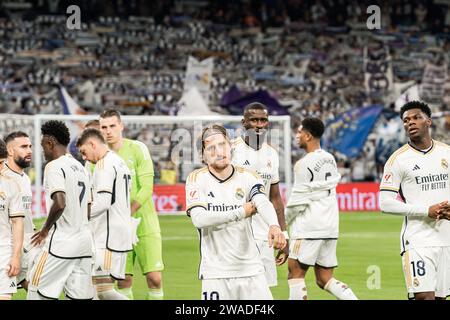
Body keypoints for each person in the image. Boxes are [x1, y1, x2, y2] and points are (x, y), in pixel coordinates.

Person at [185, 124, 286, 300]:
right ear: (202, 156)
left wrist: (274, 226)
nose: (219, 151)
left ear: (230, 146)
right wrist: (240, 212)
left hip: (251, 269)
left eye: (223, 144)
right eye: (211, 148)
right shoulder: (196, 179)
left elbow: (263, 202)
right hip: (215, 273)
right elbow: (199, 219)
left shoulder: (248, 176)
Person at [379, 101, 450, 300]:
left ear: (428, 121)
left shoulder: (447, 152)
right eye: (406, 120)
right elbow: (385, 203)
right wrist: (425, 210)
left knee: (439, 298)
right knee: (424, 298)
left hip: (446, 239)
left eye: (416, 118)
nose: (410, 123)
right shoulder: (398, 159)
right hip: (417, 240)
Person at [286, 117, 358, 300]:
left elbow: (297, 202)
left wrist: (282, 224)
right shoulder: (330, 158)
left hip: (309, 228)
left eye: (300, 132)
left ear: (308, 136)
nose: (297, 135)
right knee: (324, 278)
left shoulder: (303, 164)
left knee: (295, 274)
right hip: (330, 226)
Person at [99, 109, 164, 300]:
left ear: (121, 126)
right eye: (104, 127)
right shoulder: (98, 157)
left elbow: (146, 188)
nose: (108, 131)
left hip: (144, 222)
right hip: (116, 228)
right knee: (123, 280)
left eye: (112, 126)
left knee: (155, 278)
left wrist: (127, 213)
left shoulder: (137, 148)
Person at [27, 120, 94, 300]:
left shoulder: (54, 166)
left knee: (35, 288)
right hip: (84, 243)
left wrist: (45, 229)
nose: (43, 152)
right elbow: (88, 208)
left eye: (43, 147)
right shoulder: (81, 168)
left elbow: (60, 202)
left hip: (62, 243)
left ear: (50, 142)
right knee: (79, 297)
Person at [231, 102, 288, 288]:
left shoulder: (272, 154)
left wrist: (284, 234)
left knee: (264, 288)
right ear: (243, 122)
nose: (259, 124)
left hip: (265, 233)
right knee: (237, 288)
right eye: (253, 120)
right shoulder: (230, 150)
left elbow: (276, 198)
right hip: (235, 232)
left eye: (263, 120)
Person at [76, 128, 133, 300]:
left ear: (93, 144)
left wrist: (78, 217)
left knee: (103, 291)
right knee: (96, 290)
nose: (84, 158)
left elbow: (103, 202)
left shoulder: (103, 165)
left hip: (108, 237)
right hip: (119, 233)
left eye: (84, 152)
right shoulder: (119, 161)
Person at [3, 131, 34, 291]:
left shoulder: (25, 178)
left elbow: (25, 214)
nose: (29, 150)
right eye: (23, 147)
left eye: (30, 146)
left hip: (27, 244)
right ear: (10, 151)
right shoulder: (4, 178)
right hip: (9, 247)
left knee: (36, 287)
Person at [0, 139, 24, 300]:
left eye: (2, 163)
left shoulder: (11, 184)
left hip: (4, 251)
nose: (2, 167)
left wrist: (15, 256)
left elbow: (17, 223)